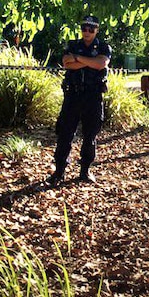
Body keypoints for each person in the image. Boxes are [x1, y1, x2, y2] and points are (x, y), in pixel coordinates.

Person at [48, 15, 112, 186]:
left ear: (97, 30)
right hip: (73, 96)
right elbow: (66, 63)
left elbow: (101, 64)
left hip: (93, 96)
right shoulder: (73, 45)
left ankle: (85, 171)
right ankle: (59, 171)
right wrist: (90, 61)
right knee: (64, 134)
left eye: (91, 28)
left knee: (90, 135)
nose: (87, 31)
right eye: (84, 28)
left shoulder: (103, 46)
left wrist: (78, 59)